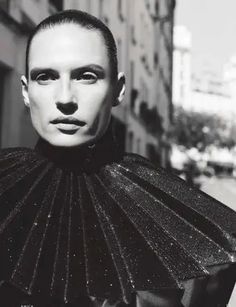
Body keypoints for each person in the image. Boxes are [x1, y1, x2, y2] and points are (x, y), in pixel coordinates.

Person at [0, 9, 235, 307]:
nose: (65, 98)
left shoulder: (195, 233)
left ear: (118, 90)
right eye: (45, 77)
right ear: (26, 90)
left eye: (87, 76)